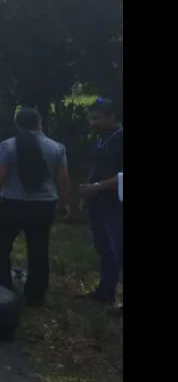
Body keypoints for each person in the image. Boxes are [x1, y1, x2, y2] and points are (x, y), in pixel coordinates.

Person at [0, 107, 70, 307]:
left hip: (13, 204)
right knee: (39, 249)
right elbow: (64, 178)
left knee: (0, 244)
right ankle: (35, 296)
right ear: (39, 123)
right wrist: (64, 203)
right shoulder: (57, 147)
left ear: (18, 124)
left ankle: (1, 285)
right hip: (43, 206)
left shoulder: (8, 146)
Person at [77, 98, 123, 307]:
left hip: (116, 204)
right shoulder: (101, 138)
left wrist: (95, 187)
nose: (91, 122)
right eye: (91, 118)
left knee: (117, 249)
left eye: (96, 118)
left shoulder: (120, 138)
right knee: (103, 247)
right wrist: (87, 194)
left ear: (111, 117)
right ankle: (106, 290)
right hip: (98, 203)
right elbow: (96, 167)